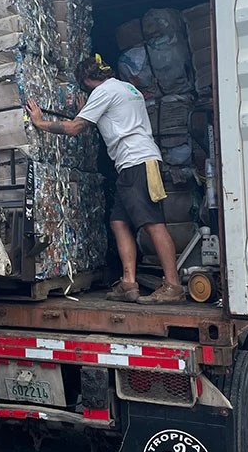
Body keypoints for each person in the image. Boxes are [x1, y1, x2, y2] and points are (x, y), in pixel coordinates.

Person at [24, 54, 184, 304]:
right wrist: (85, 110)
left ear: (86, 80)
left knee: (153, 222)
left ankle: (173, 285)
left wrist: (40, 123)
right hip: (134, 163)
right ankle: (128, 282)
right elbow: (113, 119)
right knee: (118, 222)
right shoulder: (126, 88)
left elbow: (76, 128)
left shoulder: (104, 92)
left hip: (137, 162)